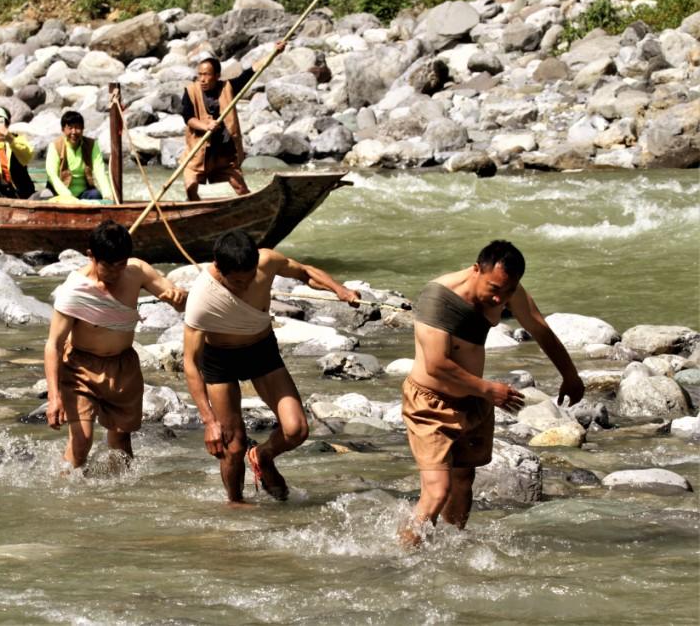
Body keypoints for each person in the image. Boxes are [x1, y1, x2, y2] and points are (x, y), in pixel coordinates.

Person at [399, 240, 585, 545]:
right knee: (437, 490)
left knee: (462, 482)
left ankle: (452, 550)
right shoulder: (439, 300)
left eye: (508, 291)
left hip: (473, 400)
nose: (500, 298)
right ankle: (402, 561)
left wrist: (570, 374)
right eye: (494, 288)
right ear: (476, 270)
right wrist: (489, 389)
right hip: (431, 404)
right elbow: (436, 366)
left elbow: (539, 327)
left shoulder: (508, 289)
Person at [182, 229, 361, 504]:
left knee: (297, 430)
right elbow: (191, 363)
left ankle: (263, 455)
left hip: (261, 350)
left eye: (249, 278)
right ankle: (235, 502)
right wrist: (209, 422)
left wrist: (340, 289)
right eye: (237, 282)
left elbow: (304, 272)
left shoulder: (266, 261)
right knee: (233, 444)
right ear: (219, 268)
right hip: (221, 359)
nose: (245, 286)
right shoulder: (201, 298)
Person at [45, 220, 187, 469]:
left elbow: (175, 297)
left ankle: (116, 499)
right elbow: (54, 345)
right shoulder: (74, 291)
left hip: (123, 366)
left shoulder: (136, 271)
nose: (114, 273)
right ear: (91, 256)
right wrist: (54, 396)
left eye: (120, 266)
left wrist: (178, 297)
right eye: (107, 266)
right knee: (82, 440)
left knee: (122, 443)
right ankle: (67, 496)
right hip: (81, 368)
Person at [180, 40, 286, 201]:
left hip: (223, 152)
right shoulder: (190, 92)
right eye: (200, 74)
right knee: (191, 187)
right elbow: (188, 118)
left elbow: (252, 71)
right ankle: (196, 211)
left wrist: (274, 53)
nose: (202, 79)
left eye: (207, 75)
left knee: (240, 187)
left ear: (216, 76)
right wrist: (205, 125)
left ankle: (252, 208)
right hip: (198, 152)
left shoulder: (228, 87)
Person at [44, 111, 111, 201]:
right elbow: (52, 175)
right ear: (63, 129)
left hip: (84, 193)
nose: (74, 132)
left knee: (95, 195)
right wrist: (68, 196)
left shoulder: (92, 145)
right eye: (70, 128)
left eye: (78, 128)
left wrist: (107, 194)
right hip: (60, 193)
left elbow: (100, 171)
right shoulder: (55, 146)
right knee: (46, 197)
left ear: (83, 129)